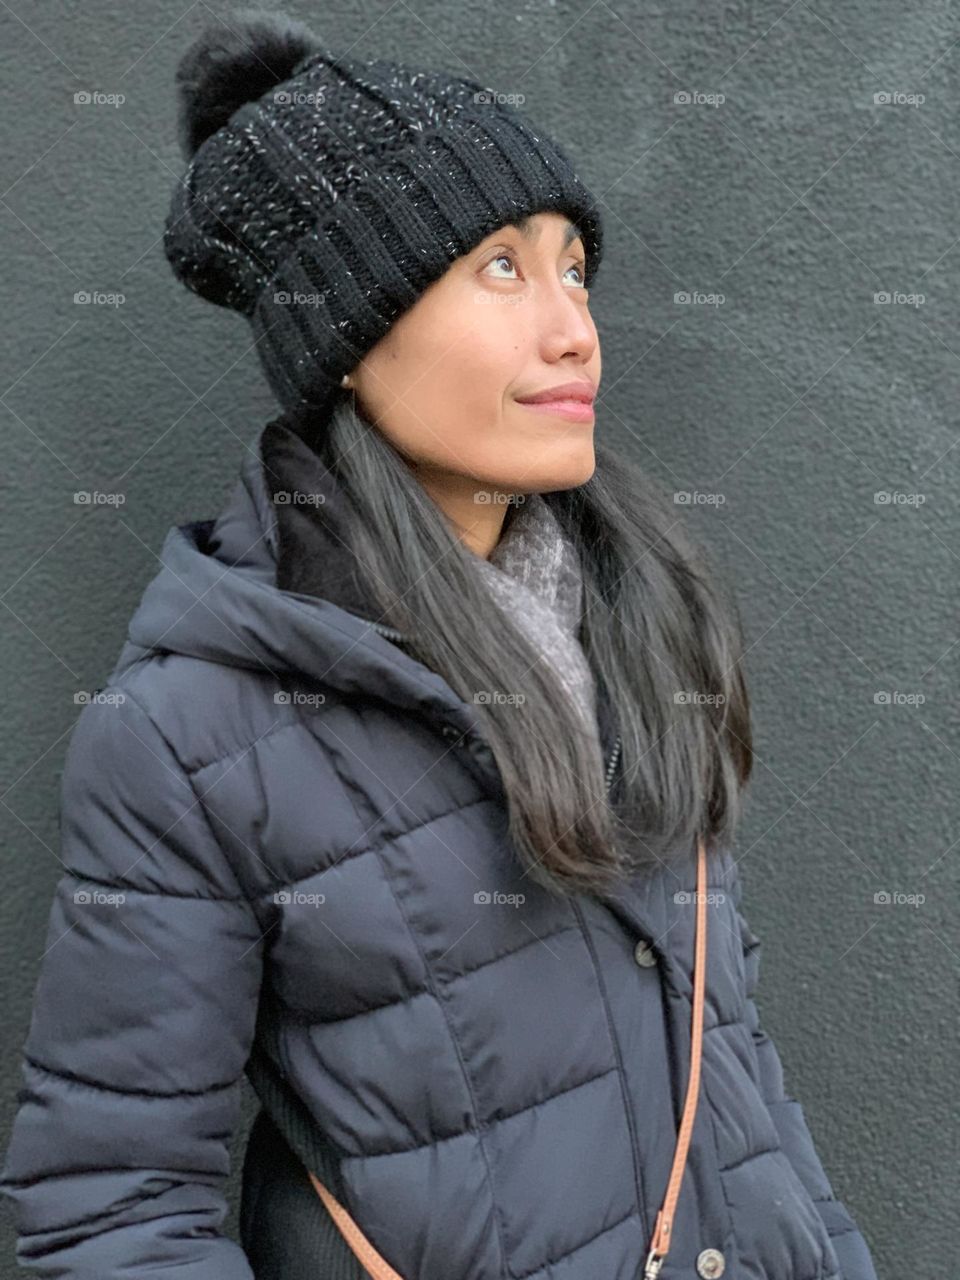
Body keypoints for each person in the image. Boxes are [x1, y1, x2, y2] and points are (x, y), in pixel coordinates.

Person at [0, 11, 879, 1280]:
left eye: (575, 268)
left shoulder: (639, 619)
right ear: (349, 341)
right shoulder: (188, 734)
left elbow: (739, 1085)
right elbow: (112, 1204)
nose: (574, 328)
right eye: (503, 269)